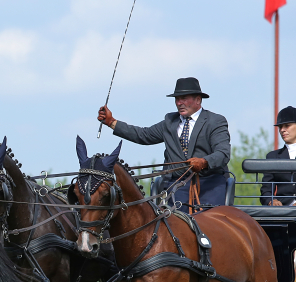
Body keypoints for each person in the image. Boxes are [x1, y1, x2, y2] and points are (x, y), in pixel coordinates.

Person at [97, 77, 231, 210]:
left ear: (198, 99)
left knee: (208, 222)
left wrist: (204, 161)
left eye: (184, 98)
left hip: (210, 184)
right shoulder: (170, 121)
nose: (179, 103)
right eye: (177, 99)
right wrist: (111, 122)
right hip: (178, 185)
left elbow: (223, 153)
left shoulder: (215, 121)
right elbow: (144, 135)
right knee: (172, 222)